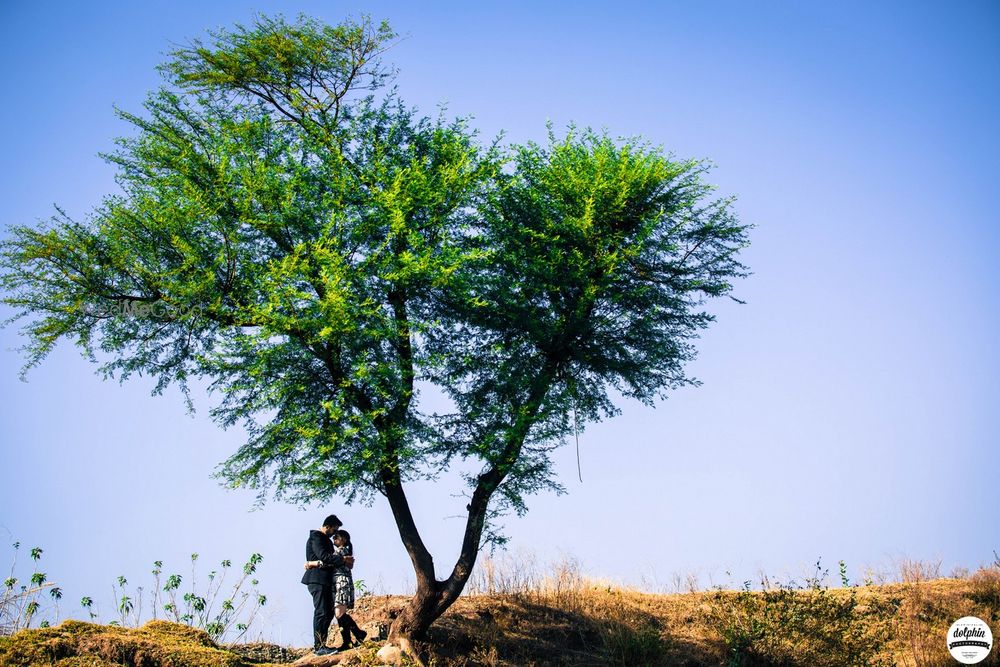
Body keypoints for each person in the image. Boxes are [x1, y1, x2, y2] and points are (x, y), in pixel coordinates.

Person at [301, 514, 354, 656]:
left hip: (325, 580)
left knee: (329, 612)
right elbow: (323, 556)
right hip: (317, 579)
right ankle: (319, 647)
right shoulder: (317, 537)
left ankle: (322, 644)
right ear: (328, 526)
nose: (334, 534)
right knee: (321, 611)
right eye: (334, 530)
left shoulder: (324, 539)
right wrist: (342, 560)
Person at [330, 530, 367, 649]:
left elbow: (329, 561)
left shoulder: (341, 551)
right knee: (340, 614)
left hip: (342, 583)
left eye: (337, 537)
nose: (334, 538)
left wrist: (313, 563)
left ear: (344, 539)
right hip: (340, 583)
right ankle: (350, 640)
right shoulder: (344, 552)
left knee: (339, 614)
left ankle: (355, 636)